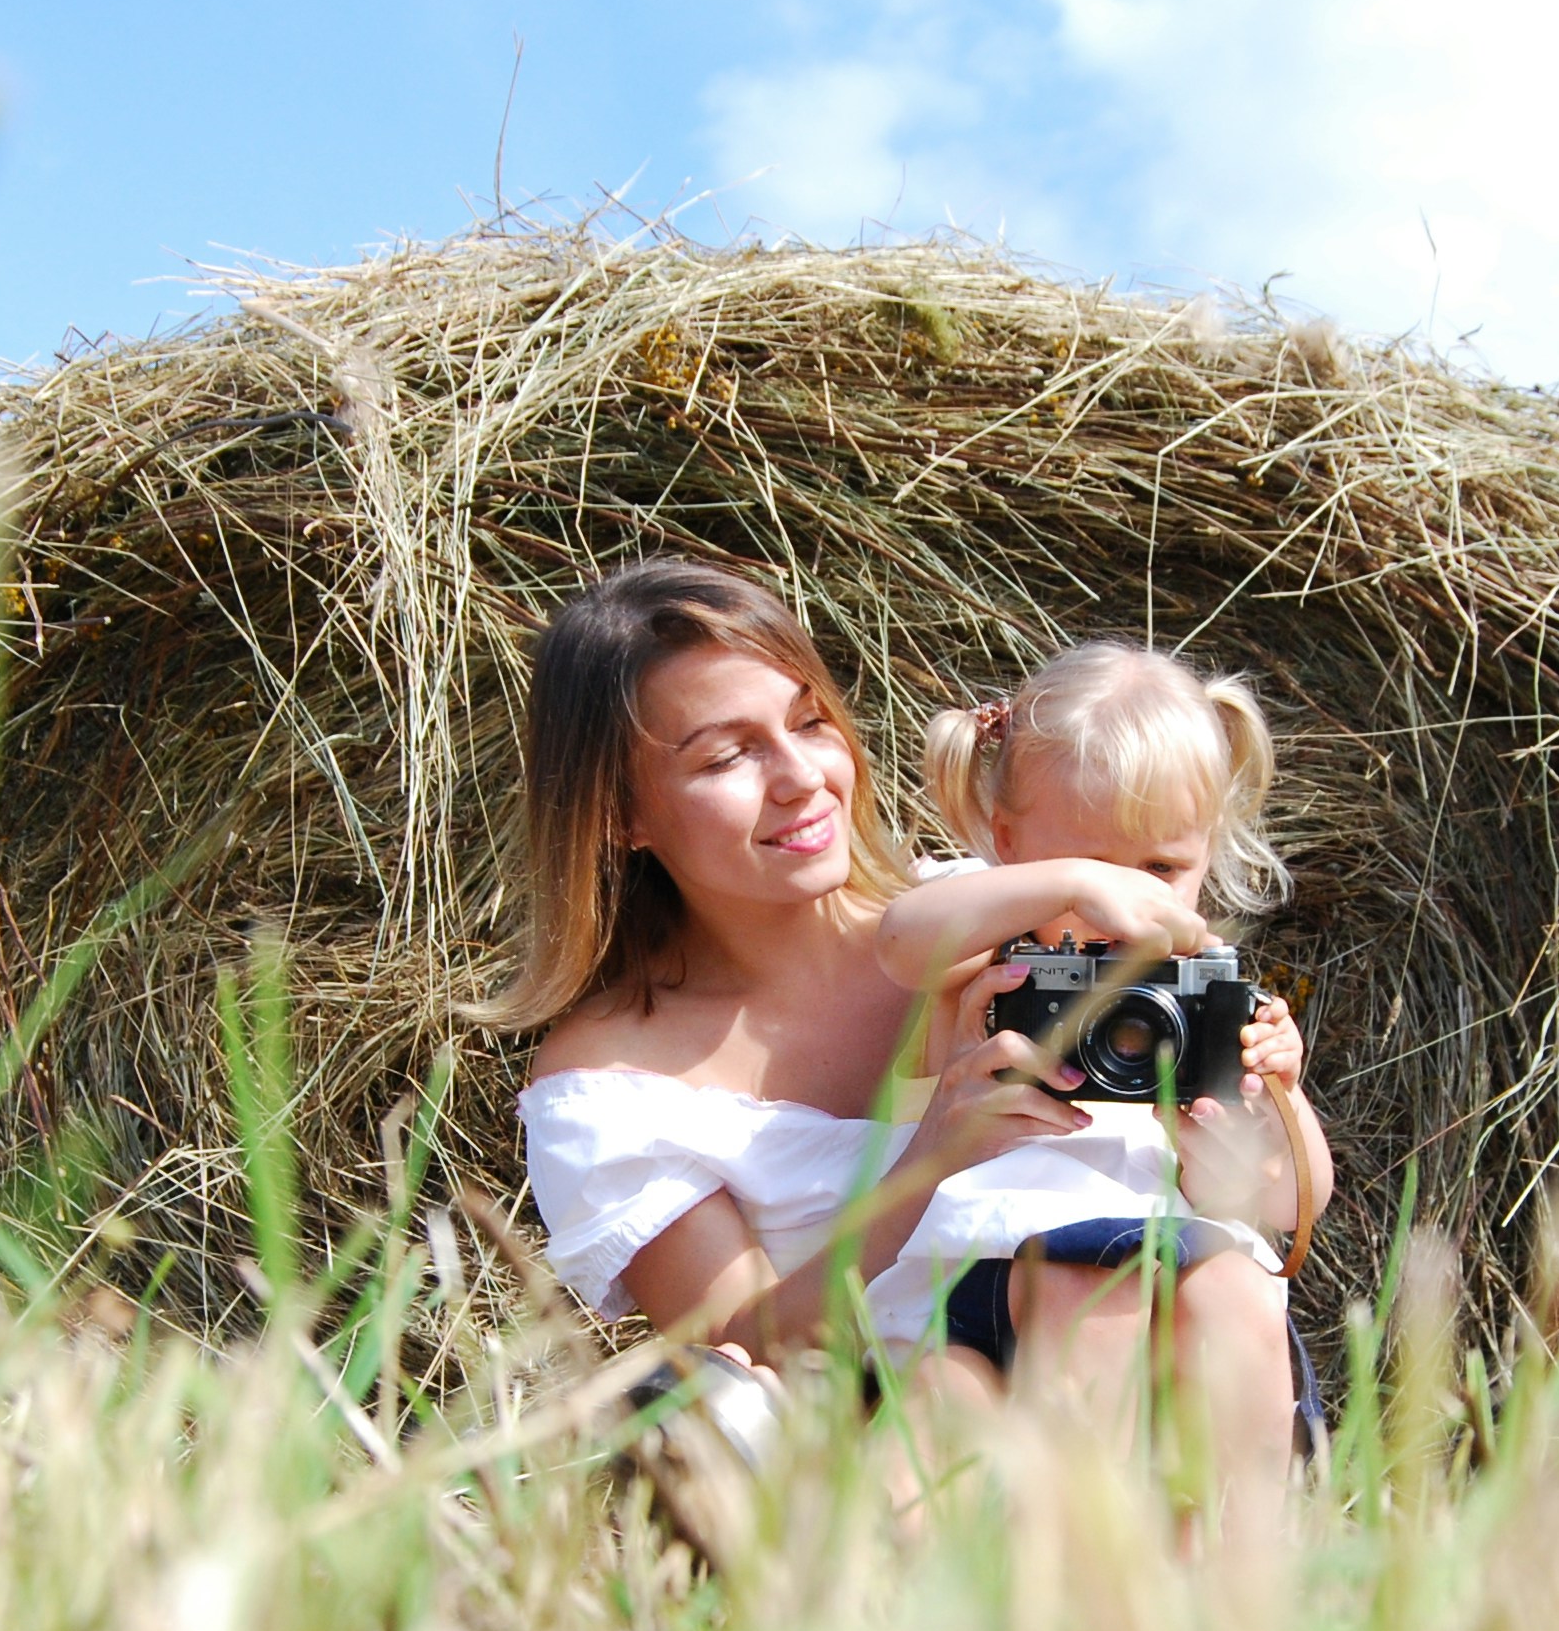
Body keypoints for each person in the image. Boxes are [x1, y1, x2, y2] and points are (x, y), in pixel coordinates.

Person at [495, 560, 1297, 1506]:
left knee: (1099, 1302)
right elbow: (744, 1346)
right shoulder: (606, 1086)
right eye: (726, 757)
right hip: (895, 1432)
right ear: (621, 813)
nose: (800, 779)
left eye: (809, 722)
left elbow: (1266, 1205)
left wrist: (1251, 1104)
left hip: (1167, 1370)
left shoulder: (1013, 912)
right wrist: (930, 1162)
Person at [864, 643, 1331, 1463]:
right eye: (1089, 864)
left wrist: (1278, 1104)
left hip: (1177, 1288)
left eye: (1162, 867)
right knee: (1089, 1281)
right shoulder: (989, 958)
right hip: (991, 1276)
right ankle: (1085, 1557)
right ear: (1007, 842)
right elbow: (901, 943)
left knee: (1240, 1286)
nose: (1131, 901)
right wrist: (1066, 890)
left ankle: (1249, 1558)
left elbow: (1294, 1206)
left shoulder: (1204, 991)